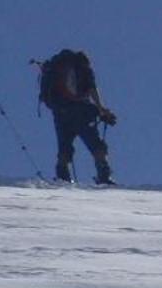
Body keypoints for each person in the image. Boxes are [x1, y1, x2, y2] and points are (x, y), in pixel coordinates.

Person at [37, 48, 116, 186]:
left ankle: (62, 178)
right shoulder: (83, 67)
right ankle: (103, 175)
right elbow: (92, 89)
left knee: (64, 146)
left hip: (60, 113)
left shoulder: (56, 68)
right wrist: (101, 109)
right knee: (96, 145)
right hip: (81, 112)